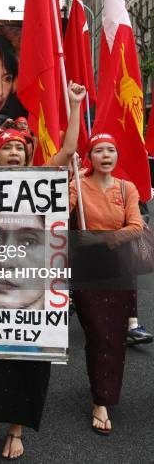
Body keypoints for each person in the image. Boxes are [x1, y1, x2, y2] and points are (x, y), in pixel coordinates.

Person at [0, 81, 86, 460]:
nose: (15, 153)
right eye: (8, 148)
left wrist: (73, 105)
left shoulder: (42, 180)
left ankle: (17, 428)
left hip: (32, 289)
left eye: (20, 148)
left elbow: (68, 150)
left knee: (27, 363)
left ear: (28, 155)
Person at [69, 133, 143, 436]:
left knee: (113, 336)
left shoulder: (127, 188)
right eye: (99, 150)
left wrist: (100, 238)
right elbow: (57, 213)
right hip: (86, 270)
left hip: (118, 269)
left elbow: (136, 227)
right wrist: (67, 178)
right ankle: (100, 392)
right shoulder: (77, 185)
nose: (106, 155)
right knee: (98, 332)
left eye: (111, 150)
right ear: (90, 156)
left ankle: (103, 397)